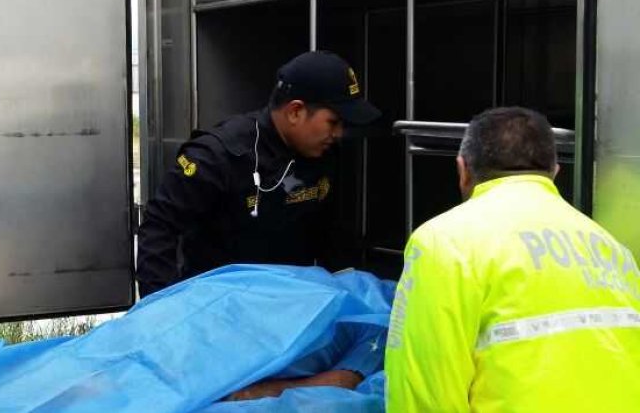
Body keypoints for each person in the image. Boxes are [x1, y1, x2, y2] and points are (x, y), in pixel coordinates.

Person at [385, 107, 640, 412]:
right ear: (555, 173)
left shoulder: (445, 241)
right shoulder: (611, 247)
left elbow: (422, 389)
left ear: (462, 169)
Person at [137, 50, 381, 297]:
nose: (338, 133)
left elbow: (330, 232)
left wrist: (348, 295)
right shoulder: (218, 155)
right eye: (333, 122)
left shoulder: (324, 153)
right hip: (217, 308)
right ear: (295, 111)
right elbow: (159, 227)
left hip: (290, 304)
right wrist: (160, 309)